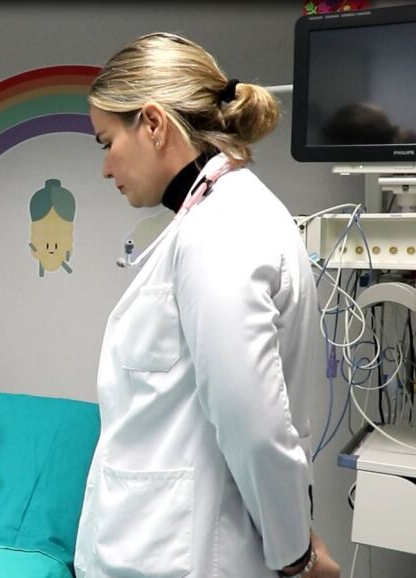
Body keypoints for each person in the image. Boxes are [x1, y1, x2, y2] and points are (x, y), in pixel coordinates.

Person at [75, 33, 341, 578]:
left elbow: (253, 422)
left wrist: (296, 557)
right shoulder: (213, 219)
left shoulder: (224, 229)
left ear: (153, 123)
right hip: (166, 547)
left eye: (107, 142)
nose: (105, 168)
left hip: (193, 556)